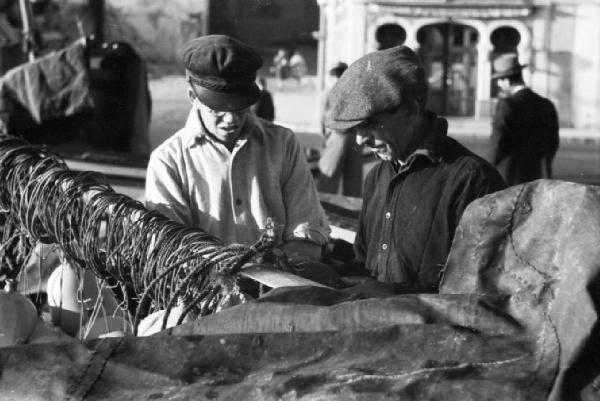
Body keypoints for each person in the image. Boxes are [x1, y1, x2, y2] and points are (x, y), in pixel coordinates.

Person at [324, 45, 506, 294]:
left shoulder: (471, 181)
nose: (359, 140)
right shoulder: (377, 178)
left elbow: (480, 293)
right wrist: (324, 269)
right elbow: (366, 265)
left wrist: (392, 294)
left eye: (369, 124)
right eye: (354, 129)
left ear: (410, 111)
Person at [145, 35, 330, 263]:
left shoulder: (283, 144)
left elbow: (306, 236)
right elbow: (170, 253)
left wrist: (280, 273)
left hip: (280, 292)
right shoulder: (168, 161)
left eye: (241, 107)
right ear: (193, 97)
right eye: (218, 109)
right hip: (204, 293)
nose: (231, 119)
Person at [489, 53, 560, 186]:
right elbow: (553, 144)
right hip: (538, 178)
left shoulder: (507, 104)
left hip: (508, 177)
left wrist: (487, 170)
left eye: (500, 80)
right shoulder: (546, 104)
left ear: (507, 80)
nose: (499, 84)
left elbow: (497, 143)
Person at [317, 62, 363, 197]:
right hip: (337, 135)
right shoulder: (329, 92)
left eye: (340, 73)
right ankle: (325, 212)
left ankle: (352, 214)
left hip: (353, 136)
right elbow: (322, 117)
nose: (338, 77)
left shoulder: (354, 91)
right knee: (328, 180)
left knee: (353, 182)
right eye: (336, 74)